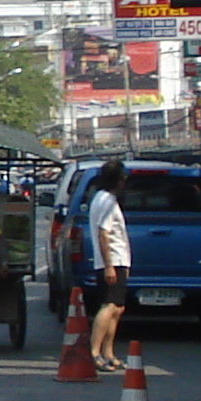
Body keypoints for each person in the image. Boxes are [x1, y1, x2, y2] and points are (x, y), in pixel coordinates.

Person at [86, 158, 134, 372]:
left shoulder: (102, 198)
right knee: (109, 306)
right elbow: (103, 233)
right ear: (118, 180)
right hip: (112, 260)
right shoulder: (107, 202)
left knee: (117, 308)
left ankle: (109, 352)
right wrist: (109, 266)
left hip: (118, 260)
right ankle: (94, 352)